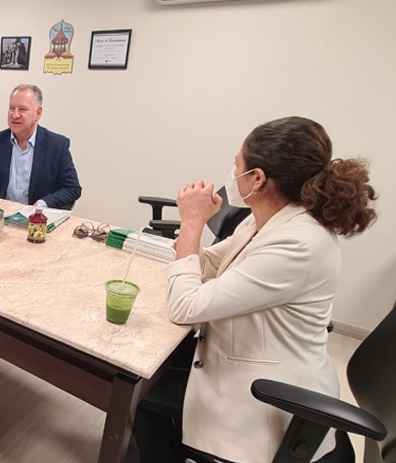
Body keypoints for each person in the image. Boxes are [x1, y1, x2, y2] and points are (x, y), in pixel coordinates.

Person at [133, 116, 377, 463]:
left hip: (267, 395)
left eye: (237, 165)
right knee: (146, 377)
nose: (232, 174)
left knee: (138, 395)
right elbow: (210, 263)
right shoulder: (267, 218)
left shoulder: (299, 243)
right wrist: (192, 237)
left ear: (257, 178)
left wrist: (191, 223)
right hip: (240, 353)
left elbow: (184, 307)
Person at [0, 84, 82, 210]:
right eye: (11, 108)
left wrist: (42, 204)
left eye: (22, 109)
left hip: (36, 217)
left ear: (38, 113)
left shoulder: (57, 145)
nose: (15, 115)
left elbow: (72, 188)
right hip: (0, 215)